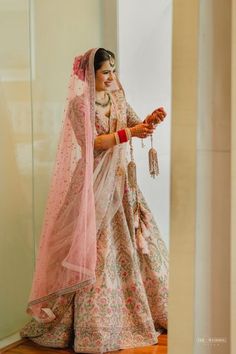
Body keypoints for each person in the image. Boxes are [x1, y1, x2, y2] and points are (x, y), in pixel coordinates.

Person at [20, 48, 169, 353]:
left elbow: (134, 125)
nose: (112, 76)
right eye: (105, 72)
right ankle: (90, 326)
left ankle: (144, 311)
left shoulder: (117, 97)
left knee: (136, 243)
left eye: (114, 70)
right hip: (92, 182)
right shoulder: (80, 105)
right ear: (91, 74)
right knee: (94, 247)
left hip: (121, 182)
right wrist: (130, 133)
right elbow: (93, 144)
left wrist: (149, 122)